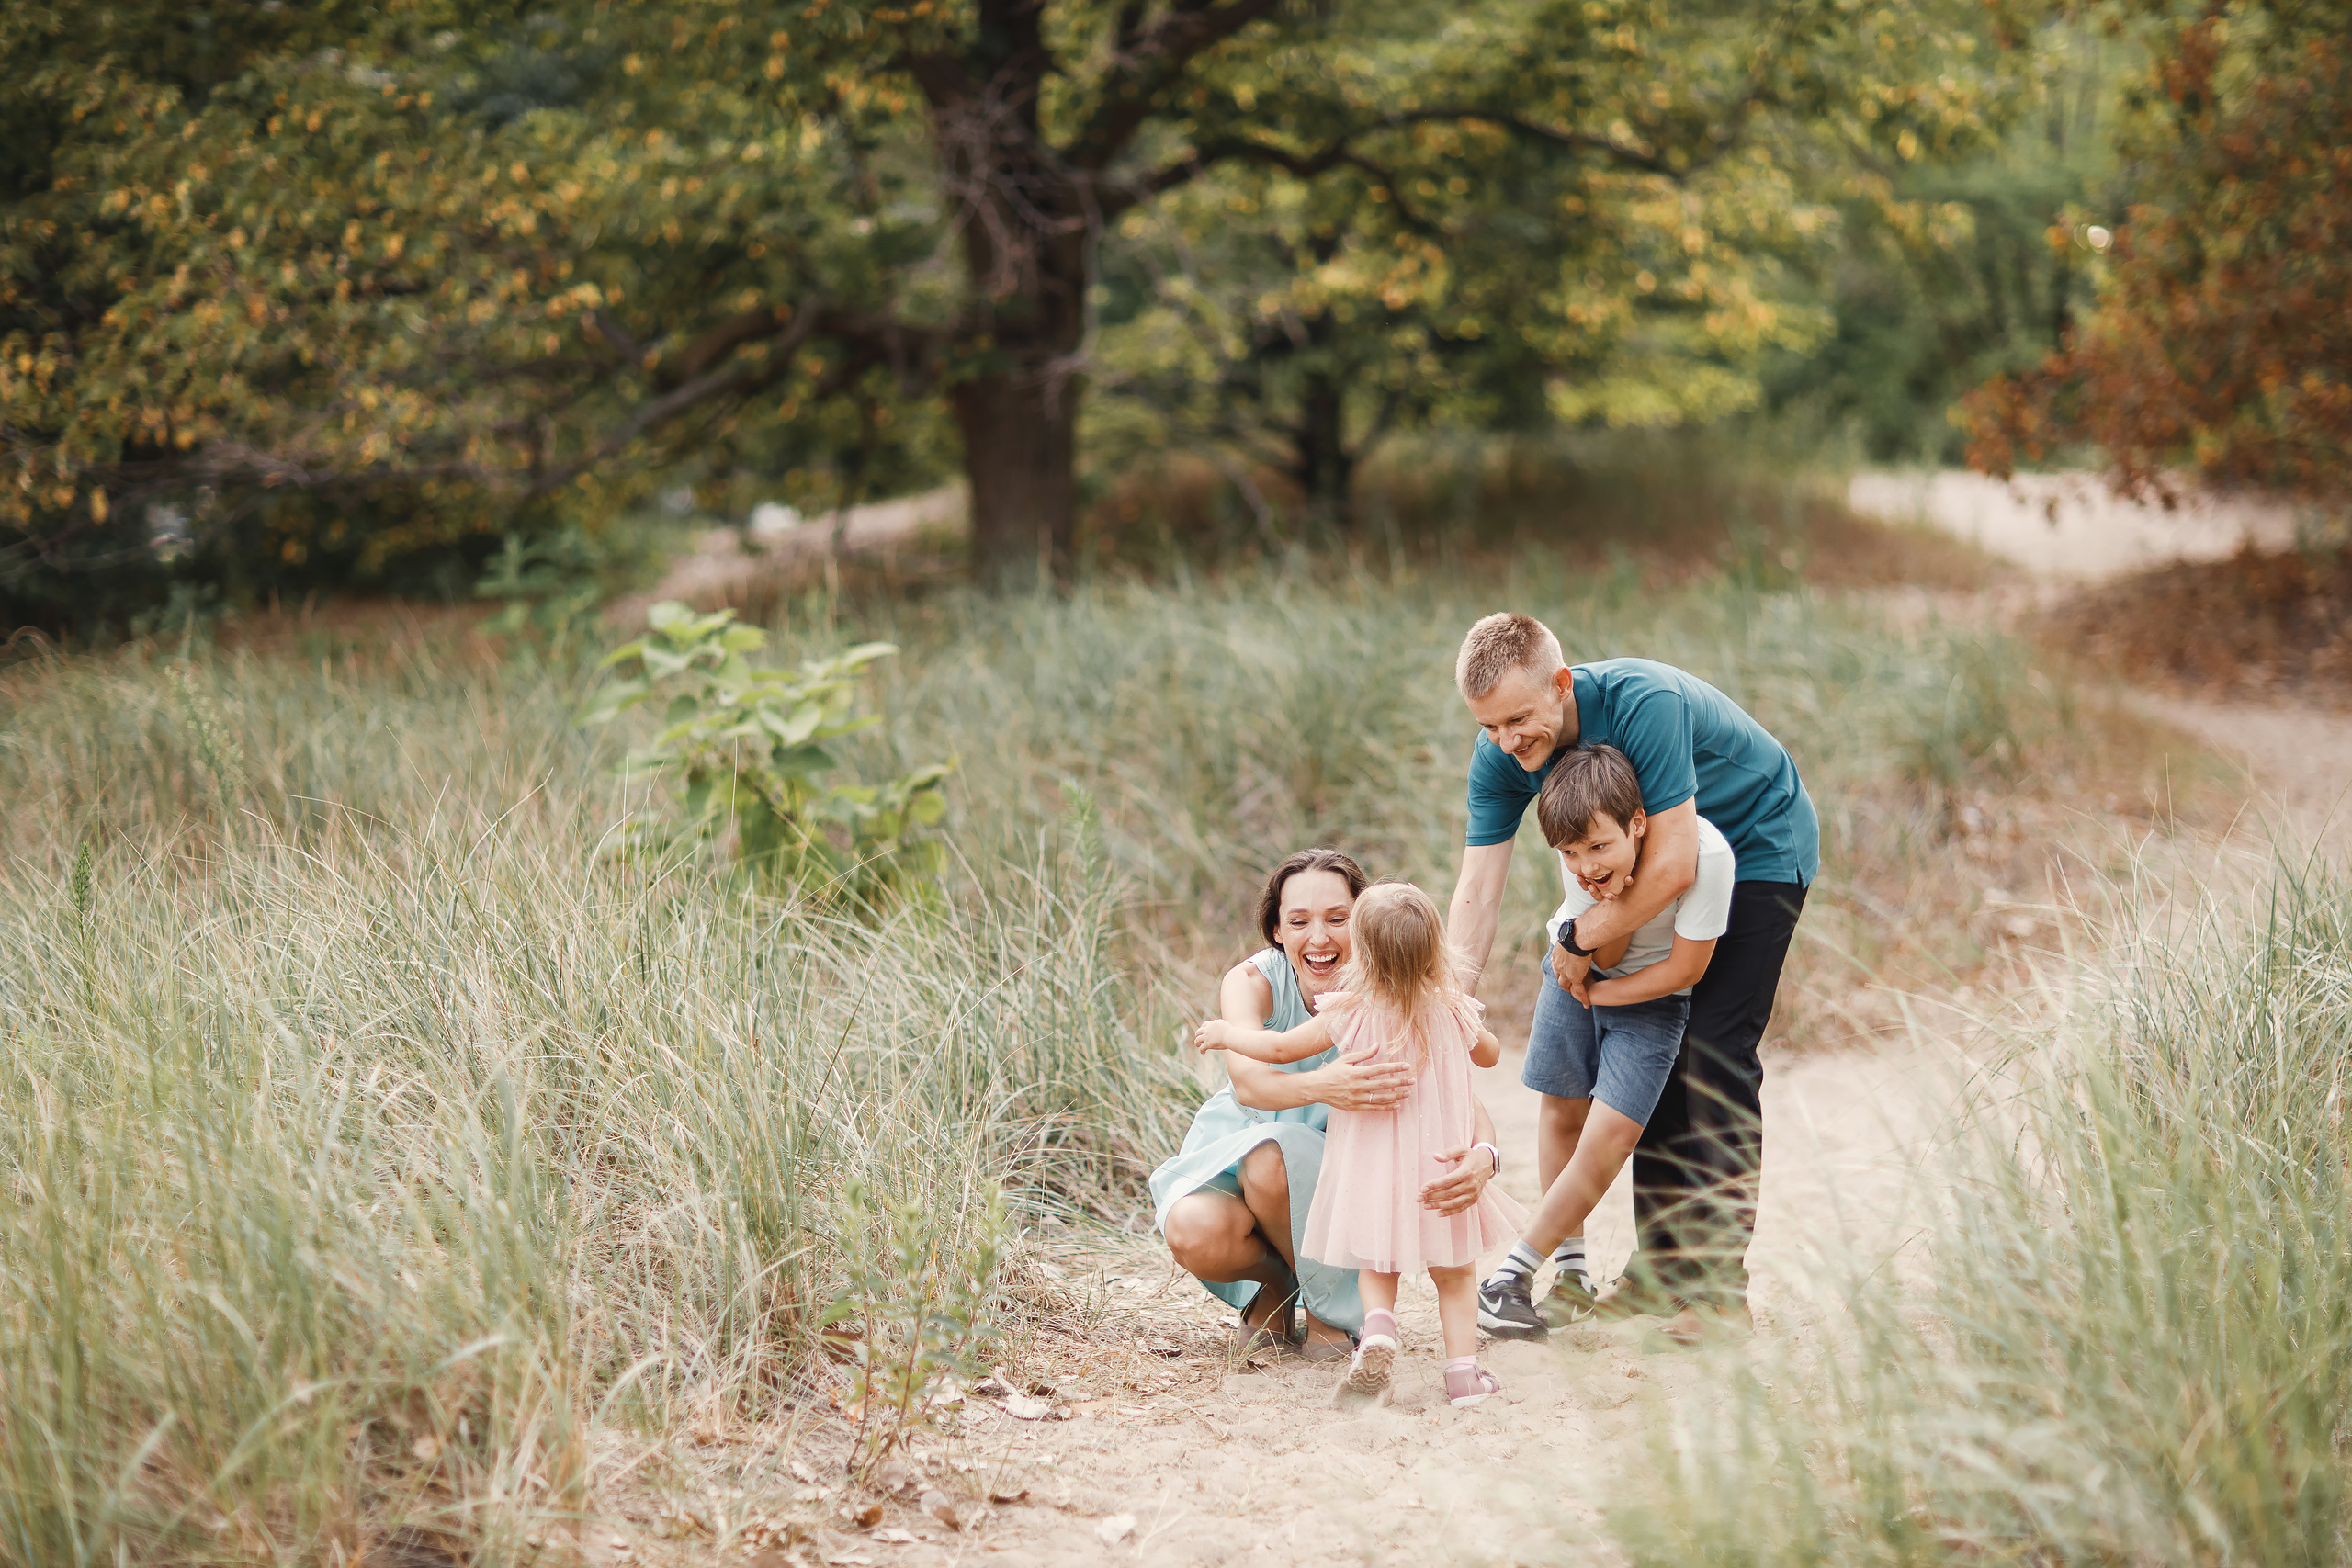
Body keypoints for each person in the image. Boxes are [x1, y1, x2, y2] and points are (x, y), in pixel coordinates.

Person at [1446, 614, 1816, 1346]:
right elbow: (1477, 892)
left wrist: (1580, 939)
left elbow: (1678, 862)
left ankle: (1717, 1294)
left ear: (1562, 683)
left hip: (1755, 846)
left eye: (1519, 719)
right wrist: (1450, 1008)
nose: (1507, 742)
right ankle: (1662, 1275)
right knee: (1659, 1053)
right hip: (1669, 865)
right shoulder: (1502, 755)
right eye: (1489, 726)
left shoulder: (1643, 701)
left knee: (1712, 1054)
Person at [1152, 850, 1503, 1360]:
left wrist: (1484, 1154)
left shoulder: (1398, 992)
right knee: (1197, 1223)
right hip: (1248, 1146)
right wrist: (1327, 1084)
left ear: (1364, 924)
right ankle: (1275, 1292)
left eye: (1338, 919)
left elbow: (1453, 1097)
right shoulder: (1252, 982)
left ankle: (1329, 1313)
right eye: (1298, 922)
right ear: (1276, 930)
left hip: (1329, 1171)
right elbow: (1252, 1084)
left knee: (1277, 1161)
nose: (1318, 939)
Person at [1476, 745, 1735, 1339]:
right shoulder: (1581, 856)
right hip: (1574, 973)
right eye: (1569, 853)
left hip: (1651, 1000)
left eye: (1599, 847)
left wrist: (1608, 996)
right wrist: (1611, 892)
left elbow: (1685, 970)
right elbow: (1602, 949)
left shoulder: (1707, 856)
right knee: (1563, 1109)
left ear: (1638, 823)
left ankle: (1511, 1274)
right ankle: (1571, 1274)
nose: (1583, 863)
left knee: (1612, 1136)